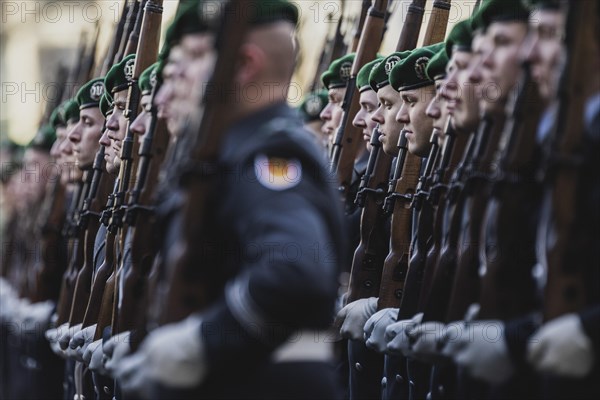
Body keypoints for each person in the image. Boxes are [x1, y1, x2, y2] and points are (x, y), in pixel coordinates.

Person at [115, 1, 346, 399]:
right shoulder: (231, 154)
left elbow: (295, 273)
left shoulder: (268, 154)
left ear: (243, 66)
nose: (174, 80)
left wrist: (201, 341)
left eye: (192, 58)